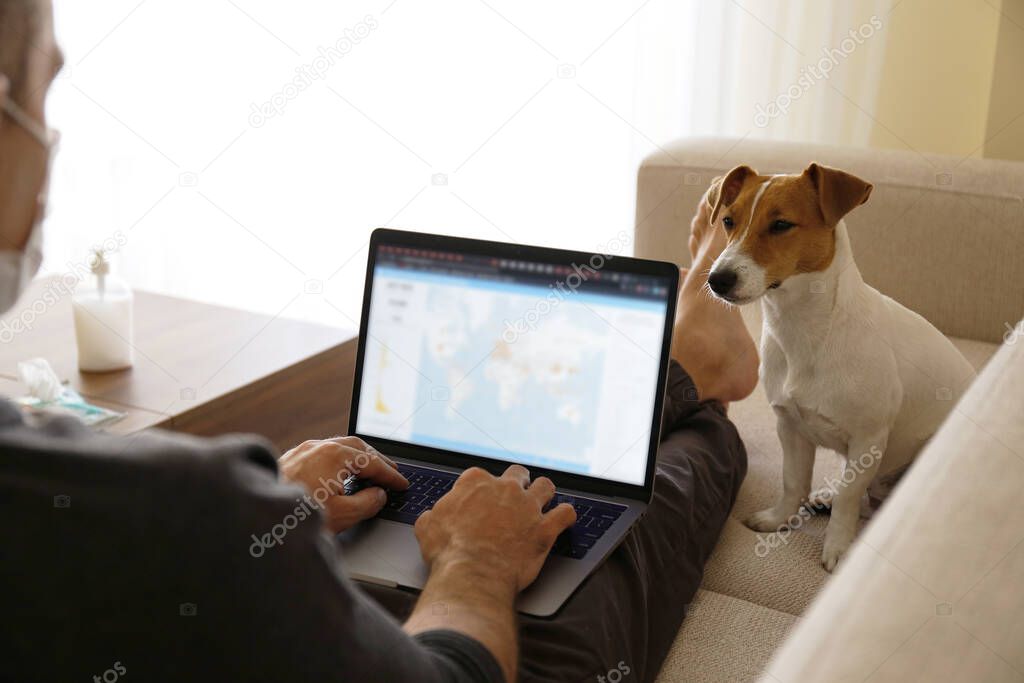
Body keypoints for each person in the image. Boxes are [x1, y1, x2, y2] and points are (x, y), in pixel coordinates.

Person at [0, 1, 759, 681]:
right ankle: (693, 376)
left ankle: (689, 366)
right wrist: (477, 560)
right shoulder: (195, 506)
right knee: (683, 469)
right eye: (44, 86)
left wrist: (253, 521)